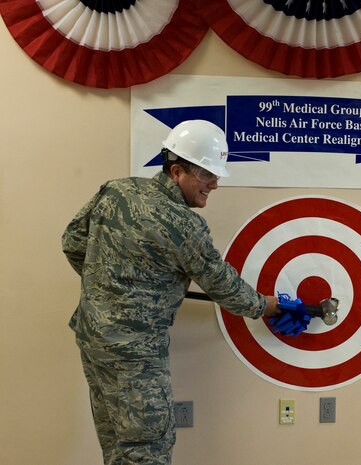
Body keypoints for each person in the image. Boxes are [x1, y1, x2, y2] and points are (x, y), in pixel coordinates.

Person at [62, 120, 281, 465]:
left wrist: (109, 289)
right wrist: (265, 306)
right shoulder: (183, 224)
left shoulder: (115, 190)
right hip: (136, 355)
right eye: (208, 175)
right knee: (148, 451)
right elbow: (222, 284)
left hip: (93, 340)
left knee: (117, 446)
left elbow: (72, 242)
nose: (215, 184)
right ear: (177, 171)